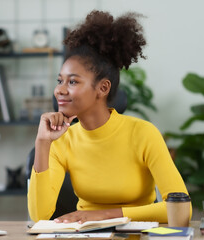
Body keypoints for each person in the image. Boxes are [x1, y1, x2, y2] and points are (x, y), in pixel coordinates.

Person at [27, 10, 191, 224]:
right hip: (84, 236)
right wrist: (42, 142)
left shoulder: (143, 133)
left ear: (102, 88)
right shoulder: (62, 139)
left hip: (136, 234)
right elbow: (40, 216)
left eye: (73, 82)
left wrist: (103, 215)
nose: (60, 90)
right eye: (60, 81)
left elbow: (181, 208)